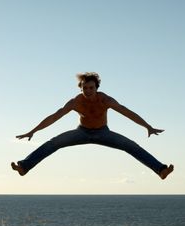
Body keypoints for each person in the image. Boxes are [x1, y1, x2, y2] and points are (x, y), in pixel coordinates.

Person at [11, 72, 174, 179]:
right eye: (85, 88)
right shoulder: (76, 102)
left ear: (97, 88)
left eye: (91, 88)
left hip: (103, 133)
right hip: (81, 132)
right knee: (53, 143)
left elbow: (126, 111)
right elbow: (55, 116)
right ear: (80, 88)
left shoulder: (105, 100)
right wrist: (33, 131)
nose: (88, 91)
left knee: (131, 145)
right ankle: (24, 166)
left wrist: (147, 126)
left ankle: (161, 170)